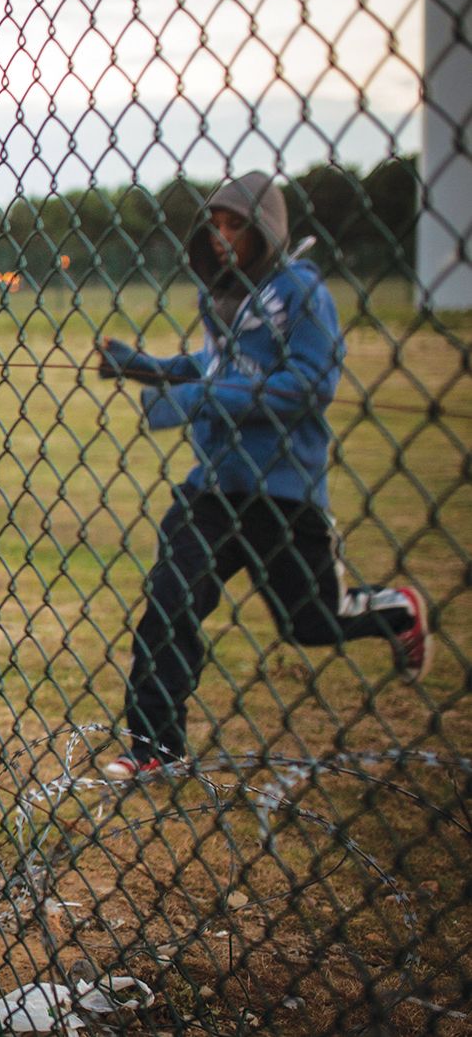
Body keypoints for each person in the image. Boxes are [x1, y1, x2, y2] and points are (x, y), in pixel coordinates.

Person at [96, 171, 432, 779]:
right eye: (215, 226)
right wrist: (142, 367)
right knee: (171, 598)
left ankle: (398, 610)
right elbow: (210, 364)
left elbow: (309, 384)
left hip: (283, 490)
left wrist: (210, 397)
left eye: (237, 225)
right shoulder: (225, 297)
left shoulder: (298, 292)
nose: (223, 237)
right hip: (214, 488)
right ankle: (155, 747)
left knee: (310, 621)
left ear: (266, 230)